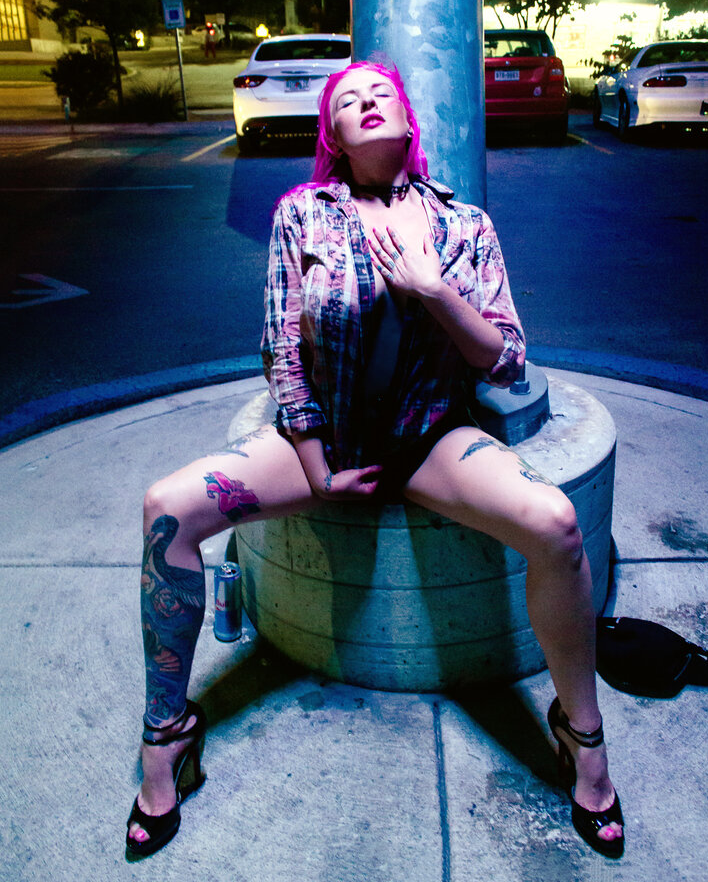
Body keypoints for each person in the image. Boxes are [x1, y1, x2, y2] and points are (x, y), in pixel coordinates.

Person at [126, 60, 625, 860]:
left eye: (379, 92)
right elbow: (282, 349)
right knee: (166, 511)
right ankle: (167, 734)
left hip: (430, 440)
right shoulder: (303, 215)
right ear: (333, 133)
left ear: (406, 120)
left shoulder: (464, 225)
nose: (363, 102)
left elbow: (507, 360)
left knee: (558, 523)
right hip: (320, 440)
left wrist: (434, 289)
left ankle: (581, 734)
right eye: (346, 99)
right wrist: (317, 465)